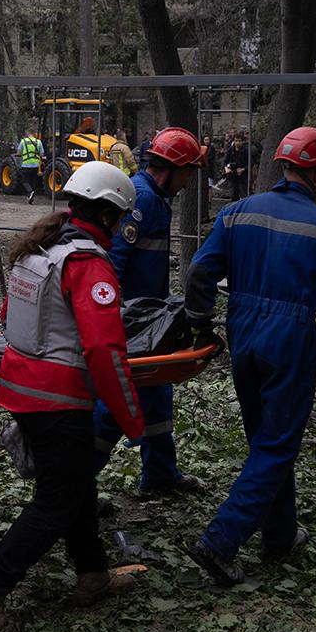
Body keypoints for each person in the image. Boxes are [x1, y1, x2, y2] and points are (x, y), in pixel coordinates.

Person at [184, 126, 316, 586]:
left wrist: (200, 321)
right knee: (277, 444)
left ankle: (279, 533)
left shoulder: (235, 214)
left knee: (267, 440)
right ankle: (221, 540)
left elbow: (200, 272)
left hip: (242, 327)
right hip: (290, 334)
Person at [0, 162, 145, 632]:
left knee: (75, 484)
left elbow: (9, 316)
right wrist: (131, 418)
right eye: (120, 217)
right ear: (108, 215)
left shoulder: (40, 249)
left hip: (22, 389)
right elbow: (104, 349)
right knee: (56, 502)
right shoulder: (86, 262)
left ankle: (92, 575)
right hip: (58, 400)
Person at [92, 127, 204, 497]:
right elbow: (113, 264)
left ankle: (159, 474)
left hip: (150, 319)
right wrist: (118, 319)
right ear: (169, 168)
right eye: (187, 172)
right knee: (117, 403)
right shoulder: (139, 198)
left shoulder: (155, 196)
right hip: (131, 322)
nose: (188, 182)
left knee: (157, 394)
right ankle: (75, 482)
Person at [16, 129, 44, 204]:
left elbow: (18, 153)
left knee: (25, 181)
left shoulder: (23, 141)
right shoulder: (39, 142)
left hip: (25, 164)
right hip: (35, 165)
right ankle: (30, 197)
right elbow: (42, 154)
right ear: (34, 134)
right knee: (33, 182)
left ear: (27, 134)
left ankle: (30, 192)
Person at [223, 133, 250, 201]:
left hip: (243, 176)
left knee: (243, 194)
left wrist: (242, 169)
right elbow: (225, 162)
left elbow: (250, 163)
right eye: (236, 141)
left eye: (239, 141)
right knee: (234, 194)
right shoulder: (230, 150)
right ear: (234, 141)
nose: (238, 143)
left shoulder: (246, 151)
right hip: (233, 175)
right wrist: (226, 169)